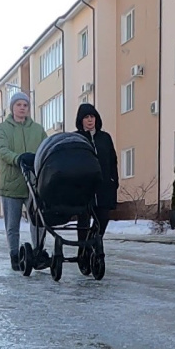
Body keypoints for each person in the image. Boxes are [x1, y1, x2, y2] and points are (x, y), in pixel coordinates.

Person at [0, 91, 48, 271]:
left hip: (33, 183)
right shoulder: (3, 129)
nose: (22, 108)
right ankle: (14, 255)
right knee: (12, 224)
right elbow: (2, 150)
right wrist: (18, 158)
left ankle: (38, 251)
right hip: (11, 184)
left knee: (38, 220)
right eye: (18, 105)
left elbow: (46, 148)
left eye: (25, 105)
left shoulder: (37, 129)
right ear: (12, 107)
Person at [74, 103, 117, 271]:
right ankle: (83, 251)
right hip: (83, 188)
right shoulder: (76, 138)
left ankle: (94, 245)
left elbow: (112, 160)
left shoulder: (105, 138)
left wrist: (114, 180)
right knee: (83, 221)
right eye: (86, 117)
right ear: (80, 120)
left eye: (92, 116)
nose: (90, 120)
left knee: (103, 219)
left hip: (104, 186)